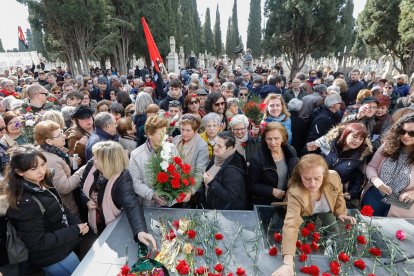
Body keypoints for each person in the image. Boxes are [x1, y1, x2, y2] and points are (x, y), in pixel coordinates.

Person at [2, 145, 88, 275]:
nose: (41, 171)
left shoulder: (42, 180)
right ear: (20, 172)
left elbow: (60, 206)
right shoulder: (24, 203)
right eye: (33, 168)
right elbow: (38, 243)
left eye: (42, 164)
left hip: (63, 246)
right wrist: (75, 230)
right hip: (53, 257)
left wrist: (76, 225)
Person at [271, 154, 356, 276]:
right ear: (300, 177)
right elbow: (291, 224)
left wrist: (341, 213)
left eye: (317, 178)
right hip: (304, 211)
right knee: (298, 236)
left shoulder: (333, 176)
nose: (312, 183)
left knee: (334, 230)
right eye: (307, 178)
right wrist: (287, 264)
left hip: (325, 209)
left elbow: (338, 195)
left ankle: (336, 257)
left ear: (324, 175)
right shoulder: (296, 192)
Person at [79, 141, 156, 249]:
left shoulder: (122, 178)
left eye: (96, 157)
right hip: (92, 221)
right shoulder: (92, 165)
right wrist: (86, 200)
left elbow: (131, 205)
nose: (93, 159)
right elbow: (81, 186)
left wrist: (140, 231)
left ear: (107, 161)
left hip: (110, 223)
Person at [307, 123, 373, 208]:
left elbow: (359, 177)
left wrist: (351, 193)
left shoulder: (361, 156)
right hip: (312, 184)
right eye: (354, 136)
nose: (357, 141)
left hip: (332, 192)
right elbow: (311, 160)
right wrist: (311, 150)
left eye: (361, 139)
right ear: (346, 134)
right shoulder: (329, 141)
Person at [363, 113, 414, 218]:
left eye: (412, 133)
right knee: (366, 228)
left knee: (389, 233)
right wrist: (375, 180)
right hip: (376, 194)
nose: (405, 136)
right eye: (402, 131)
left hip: (401, 201)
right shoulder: (388, 145)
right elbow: (371, 166)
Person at [34, 120, 85, 218]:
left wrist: (69, 161)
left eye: (62, 132)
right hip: (67, 209)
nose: (64, 136)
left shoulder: (50, 149)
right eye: (59, 135)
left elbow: (60, 160)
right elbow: (65, 187)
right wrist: (83, 169)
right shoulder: (50, 160)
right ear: (49, 141)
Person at [129, 116, 178, 207]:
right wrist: (152, 195)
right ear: (149, 134)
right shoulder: (136, 155)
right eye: (160, 133)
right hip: (148, 205)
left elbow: (179, 170)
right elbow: (135, 181)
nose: (165, 136)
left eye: (165, 132)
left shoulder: (172, 148)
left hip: (171, 204)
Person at [248, 122, 298, 206]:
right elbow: (251, 185)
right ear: (264, 139)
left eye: (276, 138)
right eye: (269, 139)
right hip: (265, 202)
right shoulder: (257, 158)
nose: (272, 142)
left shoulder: (290, 151)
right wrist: (271, 191)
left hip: (286, 200)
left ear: (283, 138)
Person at [202, 131, 247, 210]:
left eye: (219, 146)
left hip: (225, 213)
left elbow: (231, 196)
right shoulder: (219, 156)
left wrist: (211, 183)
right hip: (212, 206)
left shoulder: (233, 169)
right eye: (215, 143)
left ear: (229, 148)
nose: (215, 147)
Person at [173, 114, 209, 203]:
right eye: (182, 129)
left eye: (188, 130)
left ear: (196, 131)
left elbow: (199, 172)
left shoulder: (202, 145)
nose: (184, 133)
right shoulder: (176, 139)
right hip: (173, 185)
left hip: (190, 188)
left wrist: (190, 191)